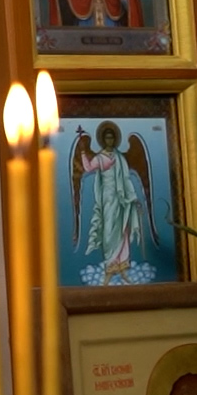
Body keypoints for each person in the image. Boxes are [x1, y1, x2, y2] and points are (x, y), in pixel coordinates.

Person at [69, 121, 155, 285]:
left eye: (112, 138)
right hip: (107, 199)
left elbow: (126, 179)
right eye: (107, 138)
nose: (109, 140)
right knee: (108, 233)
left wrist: (133, 199)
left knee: (123, 231)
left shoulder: (120, 158)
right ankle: (109, 270)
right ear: (103, 140)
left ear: (115, 139)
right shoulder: (100, 158)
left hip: (122, 199)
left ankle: (122, 270)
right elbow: (88, 168)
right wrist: (82, 152)